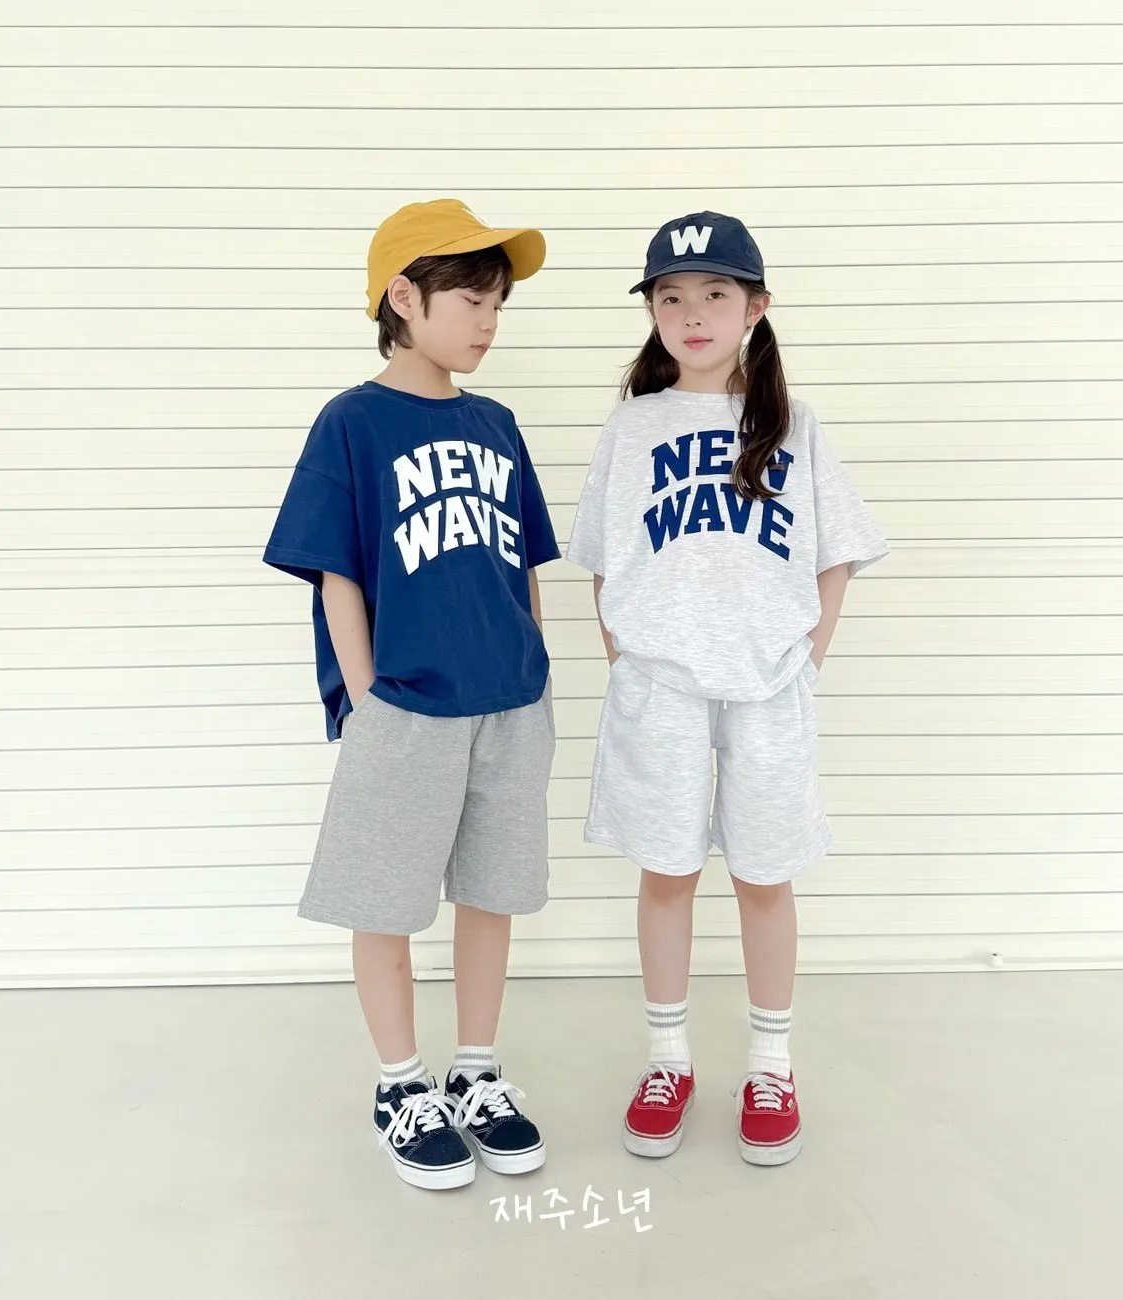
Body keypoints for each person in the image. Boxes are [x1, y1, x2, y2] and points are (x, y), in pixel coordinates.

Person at [566, 211, 888, 1166]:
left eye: (715, 293)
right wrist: (622, 654)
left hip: (768, 686)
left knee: (763, 874)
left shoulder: (793, 424)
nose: (693, 314)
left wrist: (810, 655)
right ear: (652, 314)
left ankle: (771, 1064)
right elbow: (602, 555)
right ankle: (668, 1057)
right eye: (671, 296)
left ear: (756, 306)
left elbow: (837, 553)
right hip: (660, 686)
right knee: (666, 873)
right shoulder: (634, 426)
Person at [263, 199, 560, 1191]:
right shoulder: (352, 422)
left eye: (498, 305)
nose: (488, 322)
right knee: (383, 900)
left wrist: (536, 665)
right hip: (406, 706)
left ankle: (475, 1071)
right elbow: (335, 571)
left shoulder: (496, 423)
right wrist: (367, 699)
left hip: (508, 701)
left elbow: (524, 561)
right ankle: (400, 1083)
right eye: (472, 300)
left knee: (491, 892)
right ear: (403, 296)